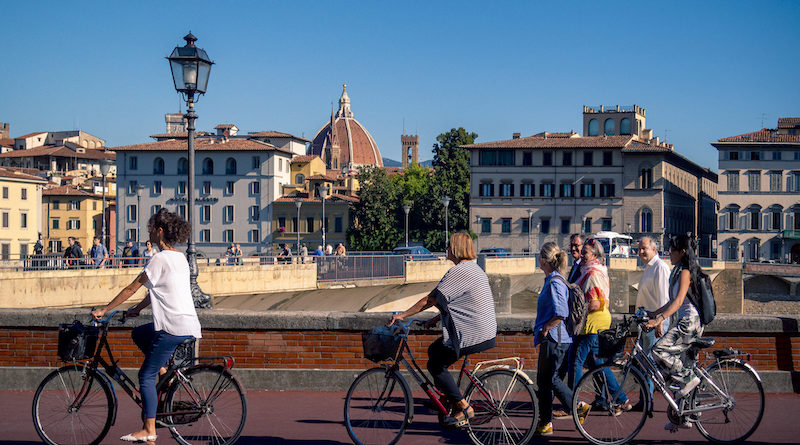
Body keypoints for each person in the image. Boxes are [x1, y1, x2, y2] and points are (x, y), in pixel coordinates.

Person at [91, 208, 201, 444]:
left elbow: (132, 287)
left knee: (144, 375)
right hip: (187, 323)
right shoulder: (179, 257)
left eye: (151, 228)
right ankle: (166, 374)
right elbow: (158, 289)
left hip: (171, 326)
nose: (148, 233)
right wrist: (138, 310)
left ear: (159, 231)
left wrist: (105, 309)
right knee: (139, 333)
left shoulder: (159, 259)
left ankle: (149, 428)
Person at [389, 232, 496, 428]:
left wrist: (402, 315)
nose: (446, 248)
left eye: (448, 245)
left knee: (435, 365)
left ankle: (463, 407)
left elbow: (431, 299)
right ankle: (450, 399)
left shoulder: (459, 271)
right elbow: (457, 302)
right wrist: (434, 320)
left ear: (456, 248)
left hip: (473, 333)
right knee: (433, 351)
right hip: (483, 329)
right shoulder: (474, 269)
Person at [646, 235, 705, 431]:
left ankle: (688, 380)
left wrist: (660, 319)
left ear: (682, 252)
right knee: (684, 366)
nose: (669, 252)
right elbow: (671, 302)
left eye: (672, 250)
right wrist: (652, 313)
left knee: (658, 350)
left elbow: (679, 302)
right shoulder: (677, 271)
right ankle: (685, 416)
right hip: (684, 322)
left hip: (690, 323)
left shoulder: (686, 271)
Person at [533, 242, 590, 435]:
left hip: (555, 339)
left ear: (544, 259)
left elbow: (561, 312)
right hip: (554, 338)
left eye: (539, 256)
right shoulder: (551, 279)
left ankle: (578, 406)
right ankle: (546, 422)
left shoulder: (555, 281)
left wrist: (546, 328)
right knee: (545, 381)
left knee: (550, 379)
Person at [568, 239, 631, 412]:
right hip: (598, 320)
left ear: (595, 255)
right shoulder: (595, 270)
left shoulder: (592, 273)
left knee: (576, 361)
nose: (582, 254)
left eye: (586, 252)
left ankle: (573, 405)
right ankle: (622, 399)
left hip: (592, 322)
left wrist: (578, 307)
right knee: (597, 363)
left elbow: (595, 303)